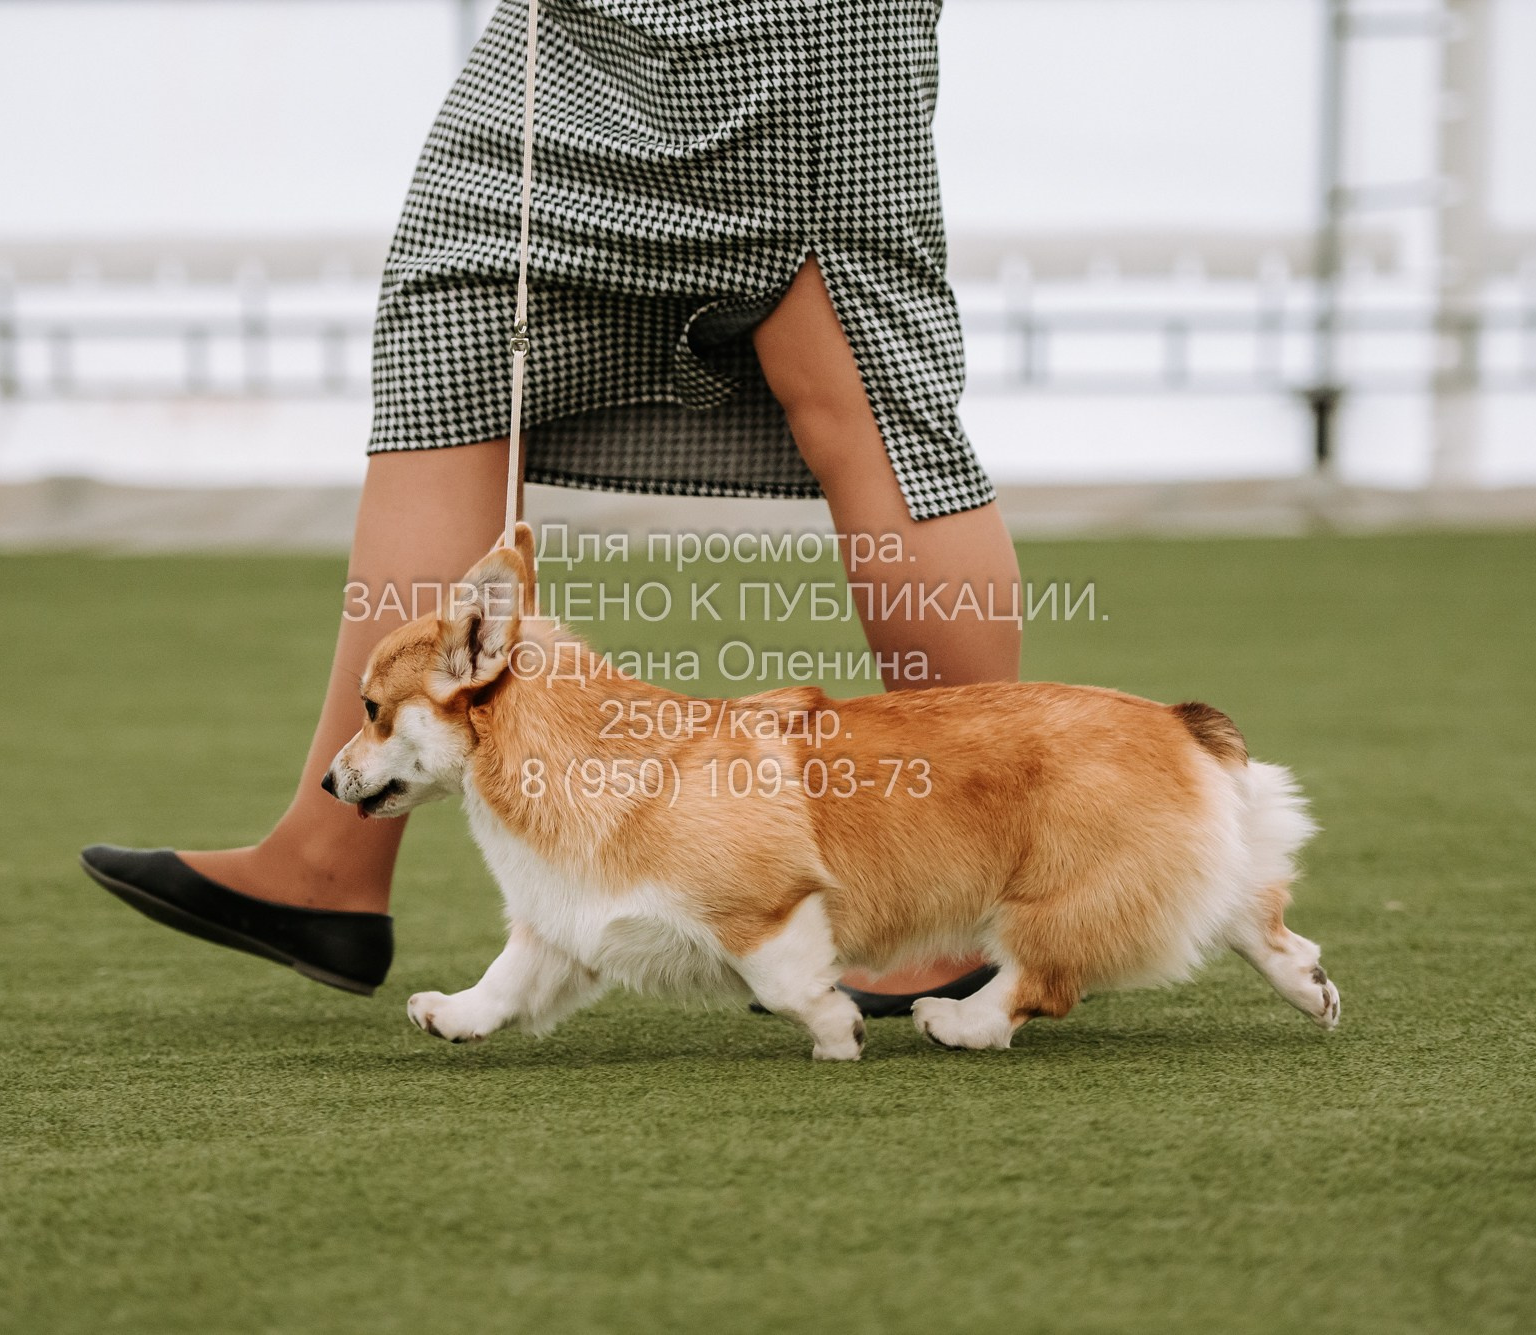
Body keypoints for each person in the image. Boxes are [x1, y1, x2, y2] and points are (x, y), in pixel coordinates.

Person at [80, 0, 1020, 1015]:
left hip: (779, 29)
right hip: (569, 36)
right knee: (457, 319)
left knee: (849, 361)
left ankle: (966, 895)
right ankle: (328, 860)